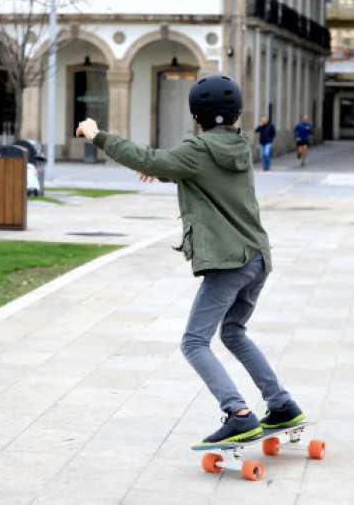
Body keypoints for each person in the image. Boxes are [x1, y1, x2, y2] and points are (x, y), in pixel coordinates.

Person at [76, 74, 304, 444]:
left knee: (194, 342)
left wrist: (96, 133)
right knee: (233, 333)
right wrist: (164, 172)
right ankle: (282, 406)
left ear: (196, 113)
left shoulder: (198, 150)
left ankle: (239, 414)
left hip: (229, 261)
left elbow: (151, 158)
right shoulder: (240, 146)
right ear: (236, 114)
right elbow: (196, 173)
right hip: (257, 257)